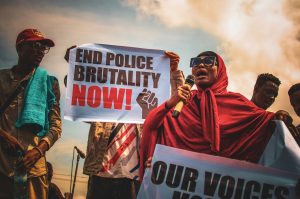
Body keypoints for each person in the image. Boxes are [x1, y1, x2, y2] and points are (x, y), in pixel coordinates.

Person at [140, 51, 295, 179]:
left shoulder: (237, 103)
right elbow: (151, 125)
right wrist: (158, 158)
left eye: (208, 61)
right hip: (177, 184)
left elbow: (265, 123)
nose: (200, 64)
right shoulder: (182, 103)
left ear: (220, 70)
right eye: (195, 62)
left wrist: (279, 117)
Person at [64, 46, 184, 199]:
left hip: (132, 177)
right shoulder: (102, 109)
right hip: (101, 175)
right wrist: (76, 62)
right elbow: (80, 89)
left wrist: (174, 71)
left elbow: (178, 100)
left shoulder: (146, 112)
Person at [0, 28, 62, 199]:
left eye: (43, 47)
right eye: (35, 46)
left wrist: (38, 151)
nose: (41, 51)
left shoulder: (50, 84)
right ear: (20, 48)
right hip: (2, 168)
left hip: (34, 172)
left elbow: (56, 126)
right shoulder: (2, 79)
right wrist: (4, 136)